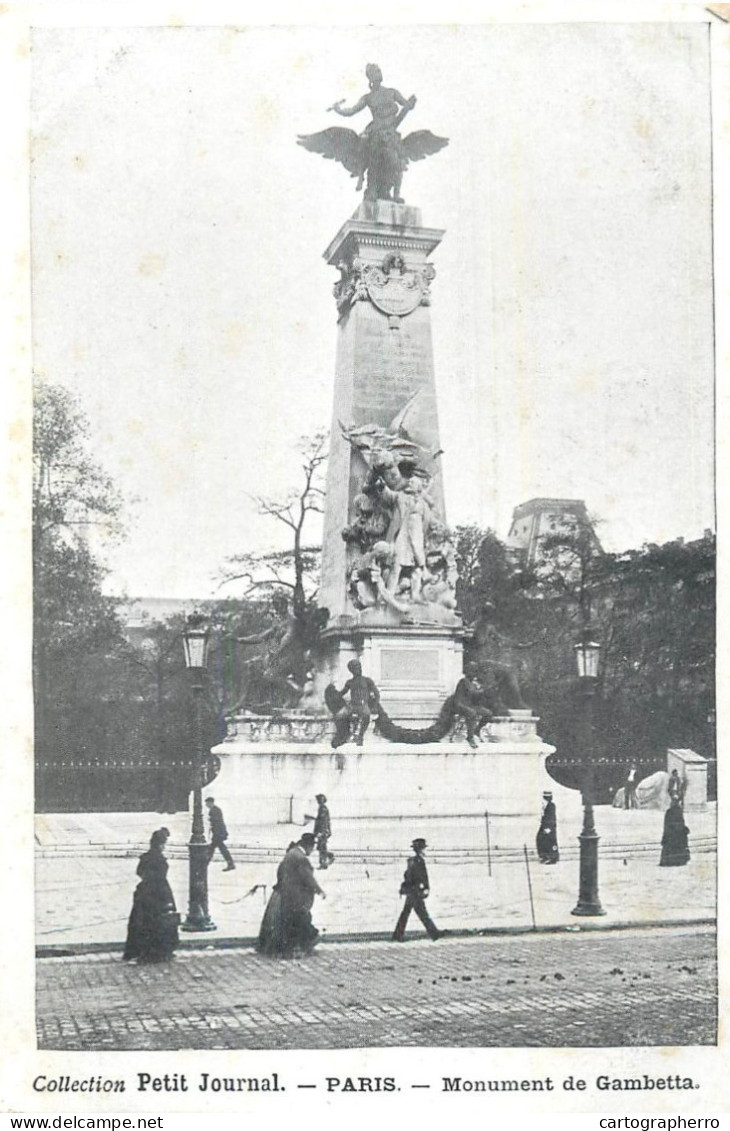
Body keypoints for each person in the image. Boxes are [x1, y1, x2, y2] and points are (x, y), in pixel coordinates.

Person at [330, 64, 416, 202]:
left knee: (398, 162)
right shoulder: (368, 98)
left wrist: (410, 104)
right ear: (370, 77)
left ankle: (396, 194)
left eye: (379, 70)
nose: (379, 72)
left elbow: (406, 104)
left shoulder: (392, 92)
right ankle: (368, 185)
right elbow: (351, 111)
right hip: (376, 132)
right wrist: (338, 109)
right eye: (376, 71)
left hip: (391, 133)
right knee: (373, 159)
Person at [258, 833, 326, 957]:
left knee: (292, 922)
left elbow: (280, 871)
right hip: (296, 897)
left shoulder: (291, 853)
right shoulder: (301, 858)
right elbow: (308, 878)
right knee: (301, 921)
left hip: (286, 894)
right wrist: (319, 890)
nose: (312, 851)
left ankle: (296, 947)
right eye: (312, 848)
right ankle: (303, 947)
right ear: (308, 846)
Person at [123, 828, 179, 963]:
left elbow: (139, 872)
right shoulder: (160, 859)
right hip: (158, 892)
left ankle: (140, 950)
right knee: (158, 921)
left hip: (144, 892)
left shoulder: (146, 857)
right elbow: (161, 877)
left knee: (142, 921)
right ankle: (158, 951)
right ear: (160, 844)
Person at [392, 838, 442, 942]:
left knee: (407, 913)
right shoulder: (418, 862)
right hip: (415, 892)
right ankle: (435, 934)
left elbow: (408, 875)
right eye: (423, 849)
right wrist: (425, 888)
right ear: (420, 850)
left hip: (412, 892)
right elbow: (422, 877)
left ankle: (398, 935)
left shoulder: (412, 861)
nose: (425, 851)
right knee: (422, 913)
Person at [330, 659, 381, 748]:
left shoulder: (367, 680)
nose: (359, 669)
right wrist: (334, 696)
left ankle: (360, 736)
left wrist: (374, 705)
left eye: (359, 666)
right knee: (338, 716)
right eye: (355, 667)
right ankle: (343, 735)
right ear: (351, 670)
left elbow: (376, 693)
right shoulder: (350, 682)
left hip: (363, 705)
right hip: (352, 706)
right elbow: (342, 693)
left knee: (366, 715)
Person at [453, 662, 493, 748]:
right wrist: (481, 691)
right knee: (471, 713)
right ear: (467, 672)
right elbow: (470, 694)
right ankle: (470, 737)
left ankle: (477, 730)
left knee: (488, 713)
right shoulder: (463, 682)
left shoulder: (473, 683)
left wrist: (483, 692)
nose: (474, 674)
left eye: (475, 671)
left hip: (470, 705)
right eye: (472, 671)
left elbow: (475, 698)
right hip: (460, 705)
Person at [205, 797, 235, 871]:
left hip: (218, 833)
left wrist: (211, 821)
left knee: (213, 848)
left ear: (210, 802)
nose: (206, 805)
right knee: (219, 848)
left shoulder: (214, 810)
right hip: (218, 833)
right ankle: (230, 863)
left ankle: (205, 864)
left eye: (207, 803)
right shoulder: (215, 810)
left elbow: (217, 822)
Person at [659, 799, 691, 867]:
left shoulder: (677, 811)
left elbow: (680, 822)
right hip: (674, 834)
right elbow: (668, 825)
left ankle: (676, 860)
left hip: (674, 834)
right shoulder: (672, 812)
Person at [536, 791, 559, 864]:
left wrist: (549, 828)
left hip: (549, 826)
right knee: (541, 839)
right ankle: (544, 856)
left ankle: (552, 857)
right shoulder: (546, 805)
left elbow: (551, 817)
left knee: (550, 842)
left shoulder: (551, 806)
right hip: (545, 825)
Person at [313, 794, 334, 870]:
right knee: (322, 847)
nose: (318, 801)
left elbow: (323, 821)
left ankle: (326, 861)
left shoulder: (323, 809)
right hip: (323, 831)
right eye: (318, 800)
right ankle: (325, 863)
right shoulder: (322, 808)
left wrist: (319, 832)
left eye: (320, 800)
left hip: (322, 831)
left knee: (321, 848)